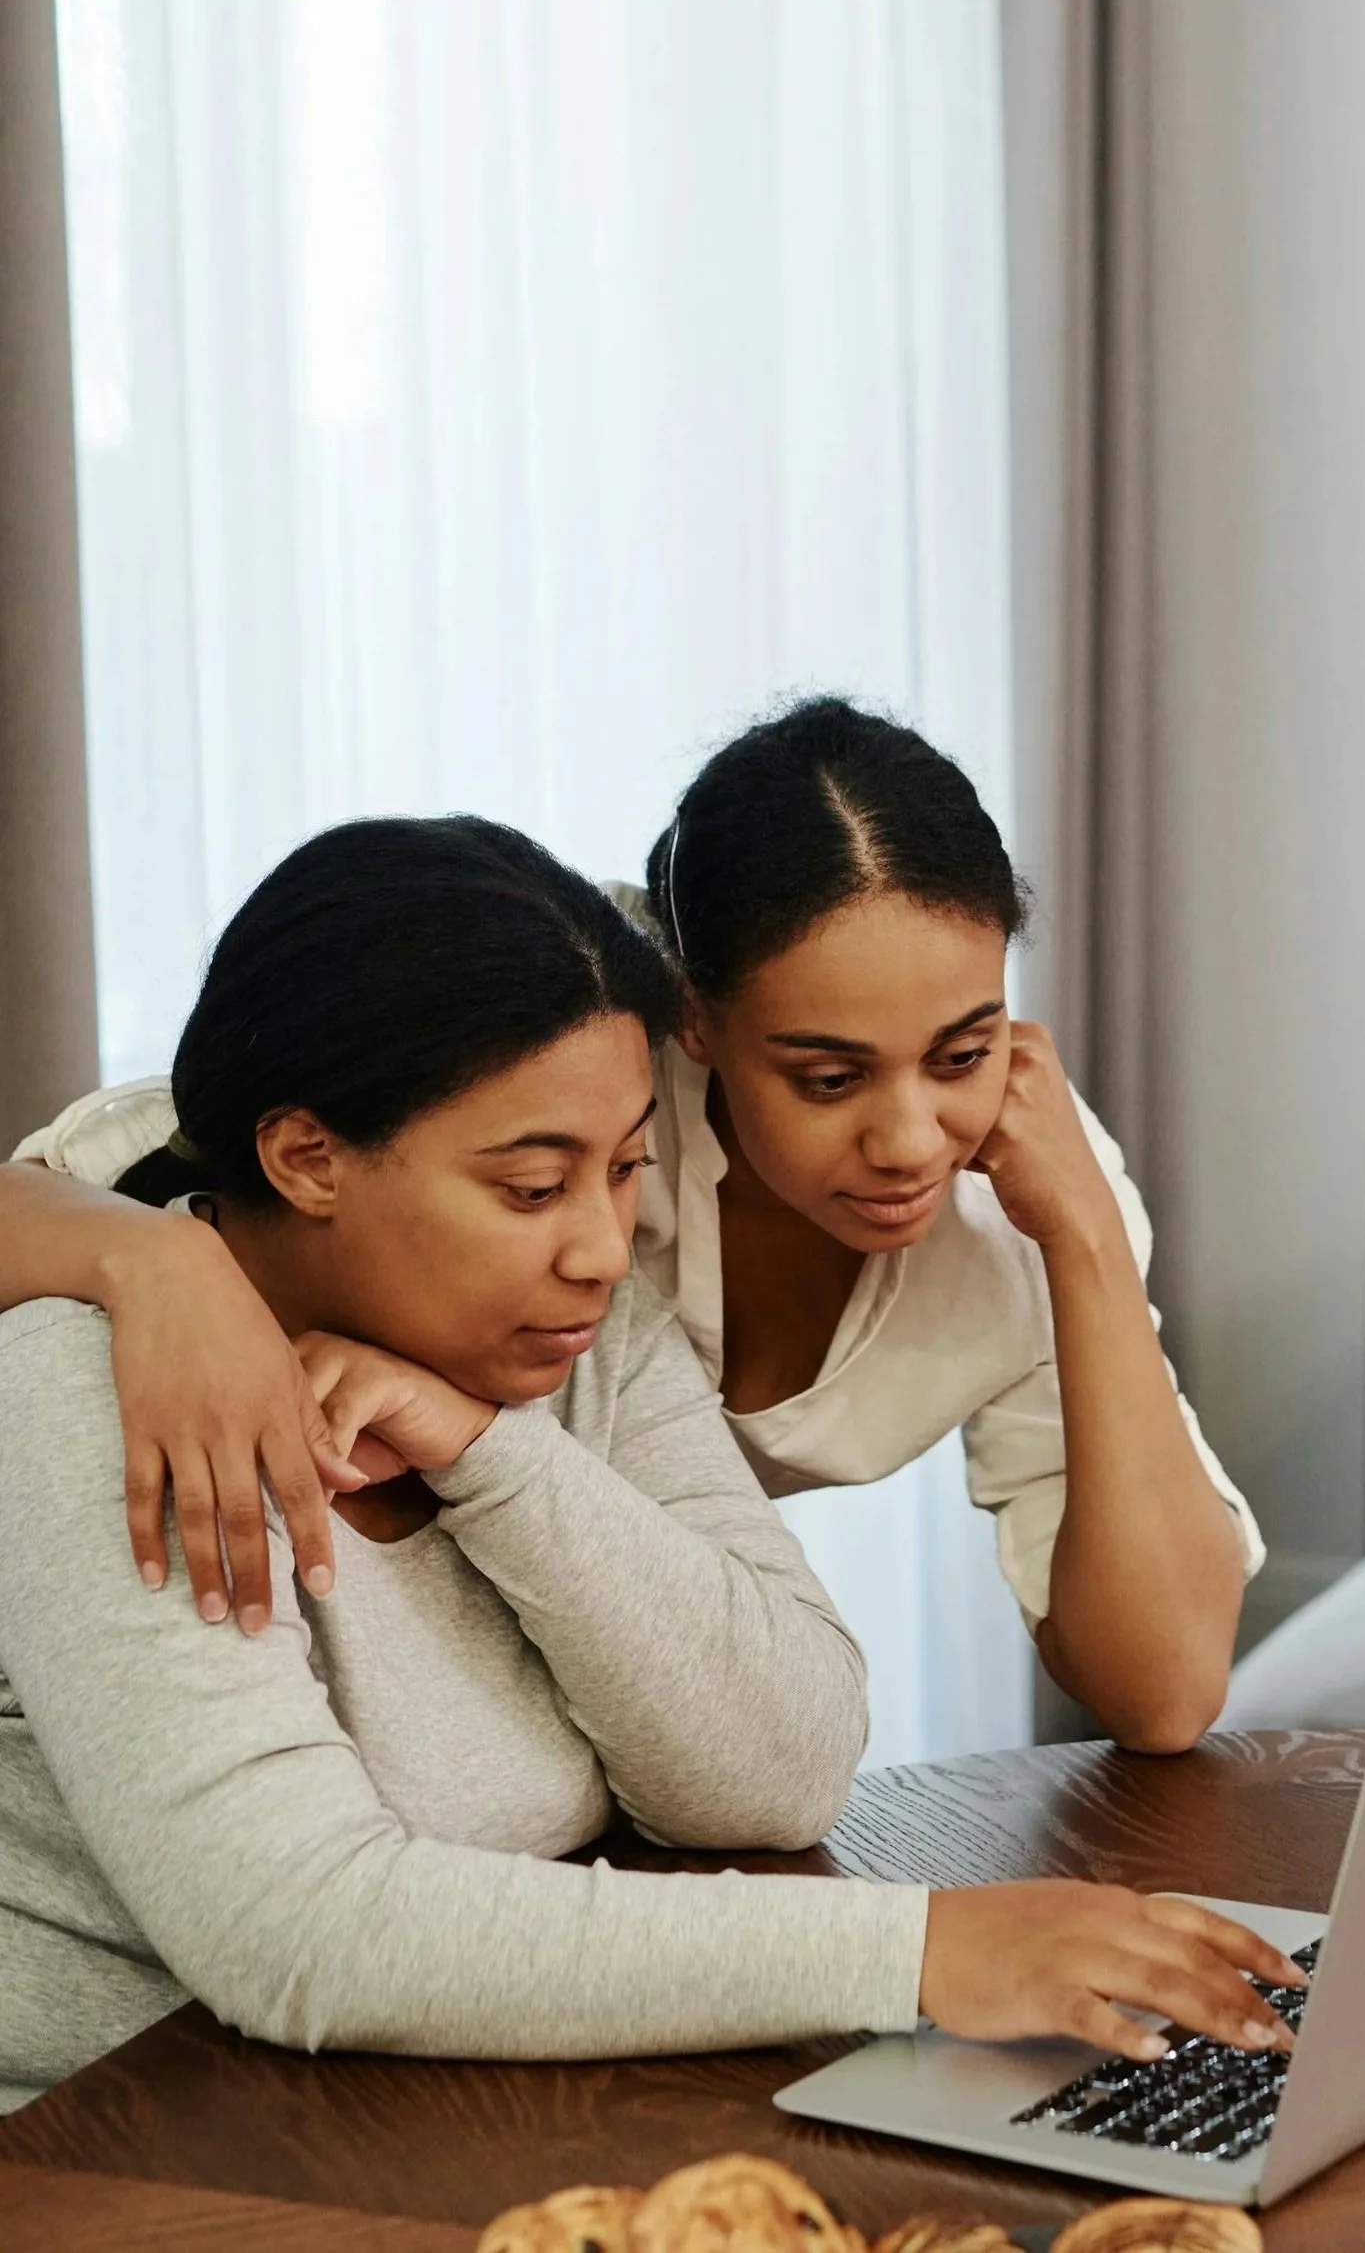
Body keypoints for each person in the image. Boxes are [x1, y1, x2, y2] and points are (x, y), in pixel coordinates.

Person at [0, 817, 1300, 2117]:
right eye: (531, 1187)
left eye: (625, 1168)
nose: (602, 1250)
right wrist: (918, 1952)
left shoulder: (577, 1343)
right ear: (305, 1157)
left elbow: (778, 1768)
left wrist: (491, 1454)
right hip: (130, 2146)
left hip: (454, 2110)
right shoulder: (102, 1390)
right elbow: (298, 1930)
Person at [0, 701, 1260, 1751]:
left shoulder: (1028, 1194)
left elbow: (1161, 1694)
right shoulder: (581, 1047)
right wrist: (151, 1256)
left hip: (622, 1681)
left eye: (962, 1054)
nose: (910, 1140)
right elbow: (210, 1142)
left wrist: (1087, 1244)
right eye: (827, 1077)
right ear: (693, 1015)